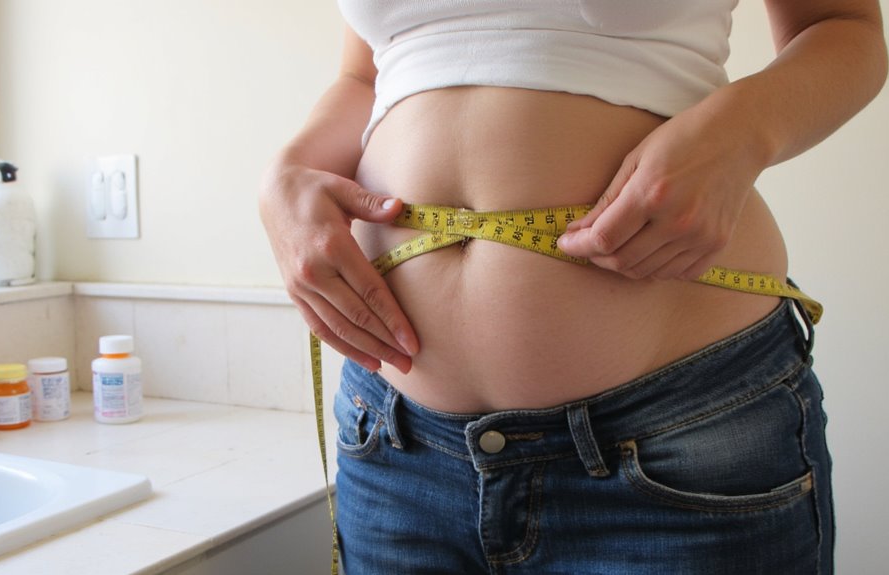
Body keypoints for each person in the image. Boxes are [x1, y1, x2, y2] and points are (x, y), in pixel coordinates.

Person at [259, 1, 887, 573]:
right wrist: (287, 173)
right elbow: (365, 77)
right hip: (396, 449)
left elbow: (843, 30)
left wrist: (740, 132)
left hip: (681, 442)